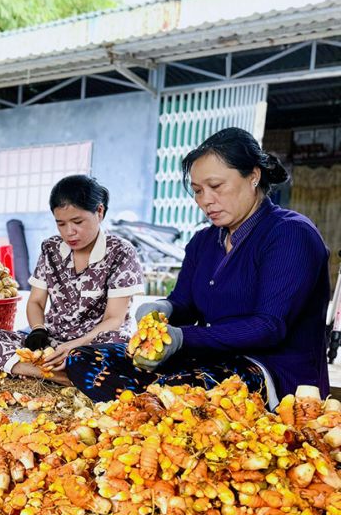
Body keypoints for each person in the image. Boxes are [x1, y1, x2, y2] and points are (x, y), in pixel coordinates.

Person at [66, 127, 330, 405]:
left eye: (216, 187)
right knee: (84, 359)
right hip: (208, 359)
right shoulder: (203, 241)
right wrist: (163, 310)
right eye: (197, 190)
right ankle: (149, 407)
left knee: (176, 391)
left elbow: (268, 326)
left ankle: (148, 405)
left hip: (271, 370)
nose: (205, 200)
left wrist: (183, 338)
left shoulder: (290, 234)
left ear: (254, 176)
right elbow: (184, 304)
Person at [0, 175, 144, 381]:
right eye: (61, 224)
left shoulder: (121, 252)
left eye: (78, 222)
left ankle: (47, 369)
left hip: (93, 343)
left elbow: (115, 319)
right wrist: (38, 331)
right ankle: (57, 376)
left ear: (100, 212)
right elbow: (36, 301)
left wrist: (74, 346)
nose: (70, 232)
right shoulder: (50, 249)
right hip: (54, 341)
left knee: (119, 349)